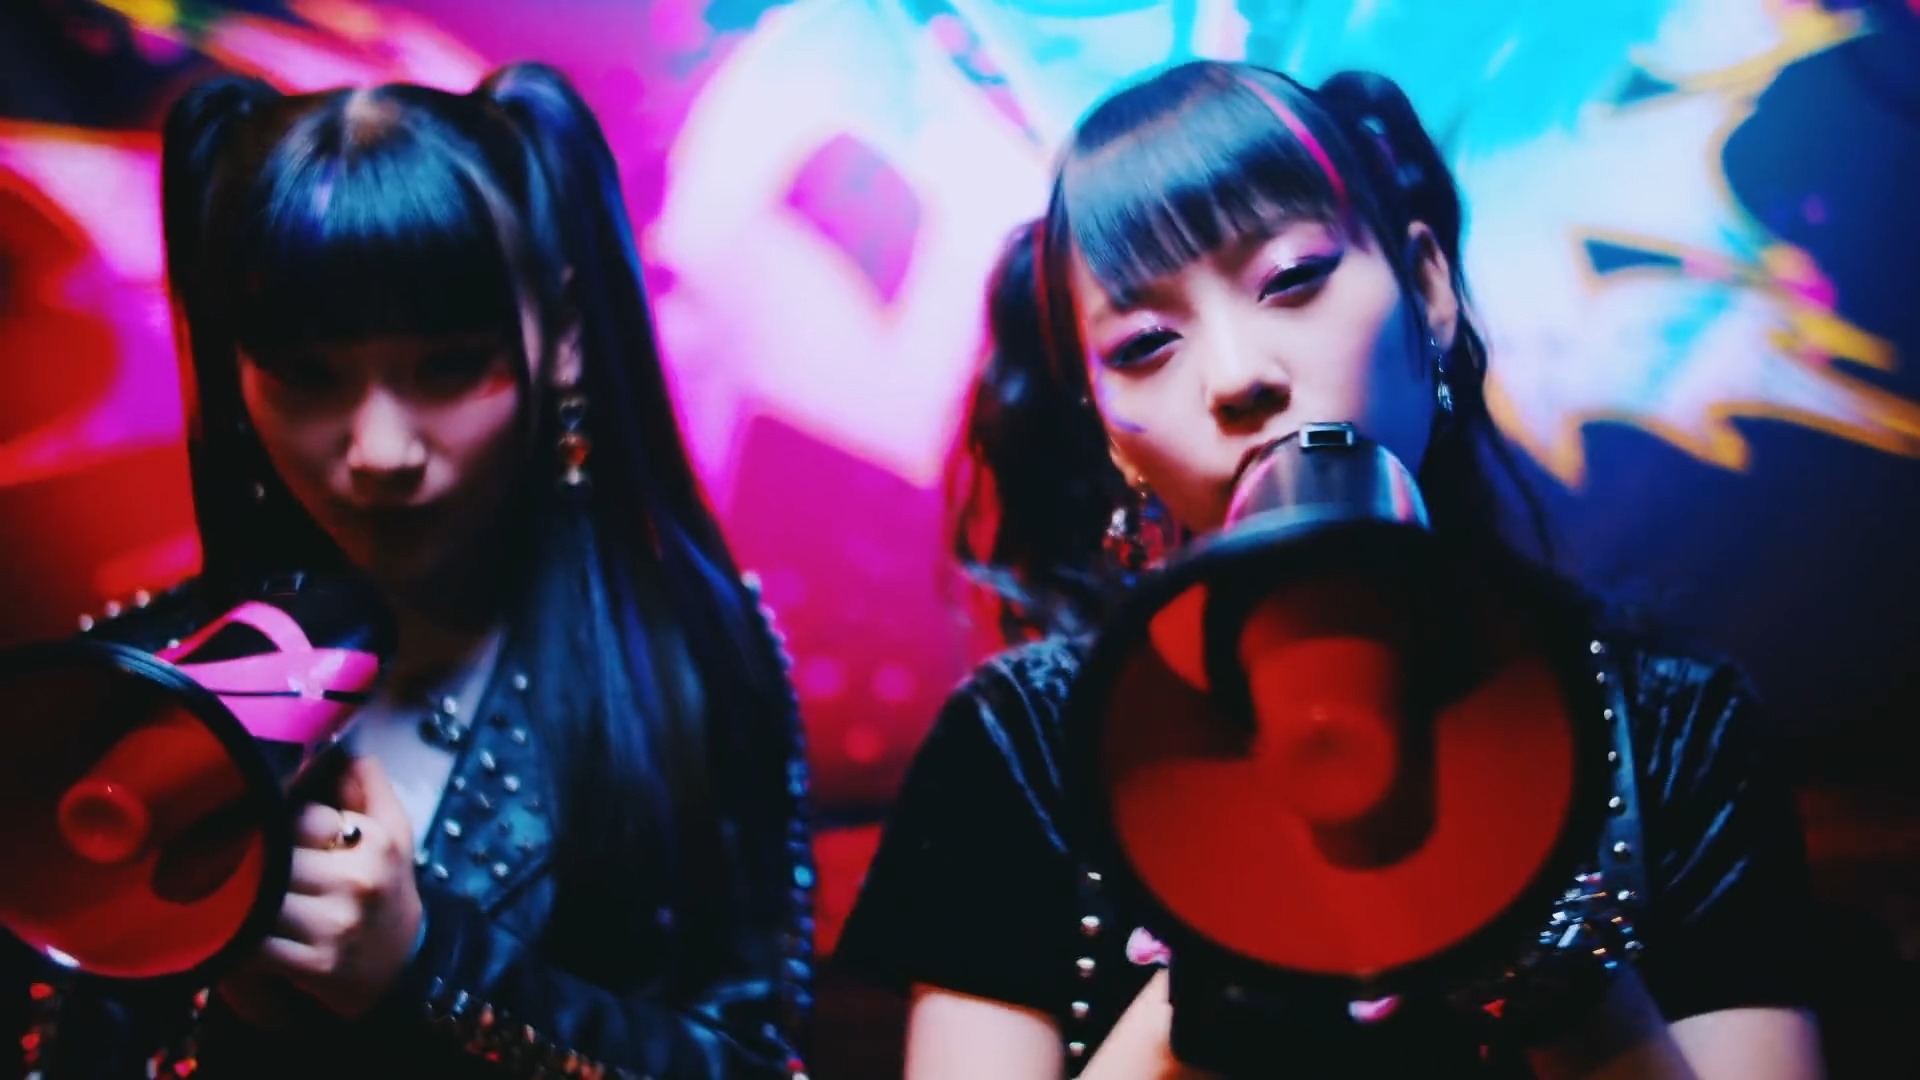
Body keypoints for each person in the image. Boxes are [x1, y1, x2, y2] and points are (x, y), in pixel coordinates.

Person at [835, 60, 1824, 1080]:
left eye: (1292, 279)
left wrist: (1560, 976)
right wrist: (1205, 998)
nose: (1237, 376)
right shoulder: (1023, 739)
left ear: (1427, 288)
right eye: (1145, 343)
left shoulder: (1673, 723)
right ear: (1110, 433)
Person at [11, 63, 815, 1079]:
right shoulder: (121, 687)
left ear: (565, 337)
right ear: (236, 363)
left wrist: (433, 967)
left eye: (447, 366)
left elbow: (755, 1063)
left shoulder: (681, 662)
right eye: (307, 375)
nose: (381, 450)